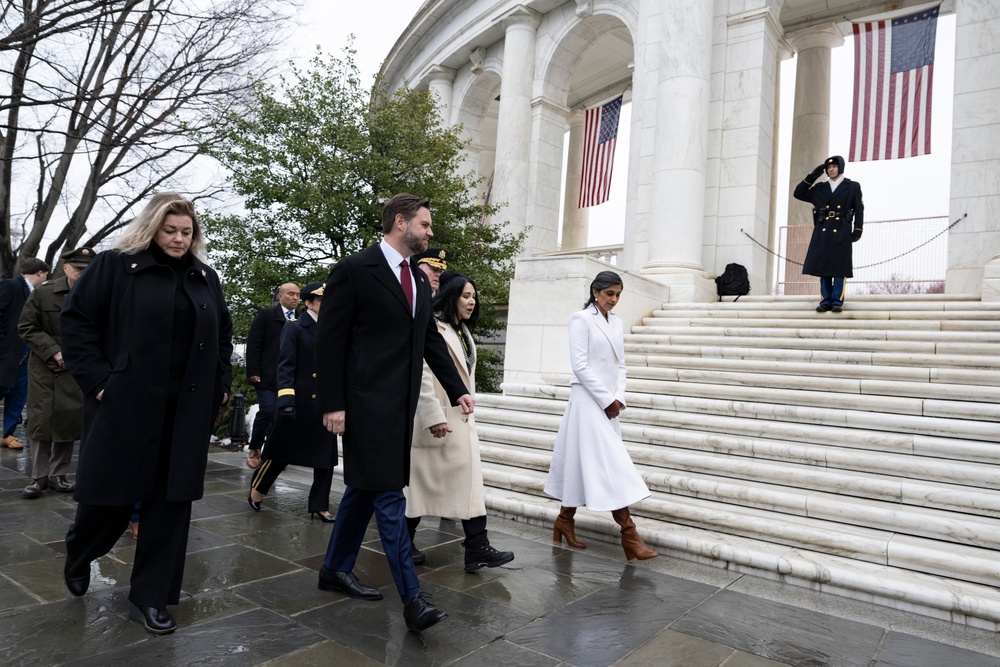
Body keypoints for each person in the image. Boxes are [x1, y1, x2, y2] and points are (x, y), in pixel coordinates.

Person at [59, 192, 233, 636]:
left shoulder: (204, 277)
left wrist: (220, 387)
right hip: (126, 406)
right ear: (152, 228)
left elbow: (222, 337)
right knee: (109, 499)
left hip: (186, 412)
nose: (178, 239)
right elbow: (77, 322)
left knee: (170, 506)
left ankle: (150, 598)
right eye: (170, 230)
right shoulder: (116, 266)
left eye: (186, 232)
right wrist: (100, 382)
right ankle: (80, 550)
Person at [315, 193, 474, 634]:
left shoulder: (419, 283)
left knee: (362, 492)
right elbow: (328, 342)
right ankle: (412, 599)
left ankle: (334, 569)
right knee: (388, 497)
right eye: (425, 224)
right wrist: (332, 403)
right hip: (364, 407)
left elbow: (429, 344)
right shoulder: (354, 270)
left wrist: (458, 390)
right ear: (400, 223)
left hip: (398, 411)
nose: (429, 232)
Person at [544, 270, 658, 561]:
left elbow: (621, 365)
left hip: (609, 405)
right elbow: (580, 366)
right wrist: (606, 399)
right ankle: (629, 535)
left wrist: (618, 398)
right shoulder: (581, 319)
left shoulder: (617, 323)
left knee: (589, 462)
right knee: (610, 465)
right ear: (595, 292)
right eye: (610, 294)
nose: (614, 300)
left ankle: (564, 520)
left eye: (618, 294)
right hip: (587, 401)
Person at [405, 271, 514, 571]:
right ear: (451, 295)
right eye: (466, 296)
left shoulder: (462, 332)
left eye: (474, 297)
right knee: (419, 490)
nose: (471, 302)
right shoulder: (435, 328)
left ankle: (477, 547)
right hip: (439, 421)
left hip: (461, 422)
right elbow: (424, 375)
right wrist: (432, 416)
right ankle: (404, 541)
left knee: (469, 488)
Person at [248, 282, 337, 522]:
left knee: (325, 457)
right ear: (309, 303)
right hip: (299, 400)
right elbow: (285, 365)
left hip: (324, 402)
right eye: (321, 300)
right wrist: (286, 399)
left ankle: (320, 505)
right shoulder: (295, 327)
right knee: (280, 451)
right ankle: (258, 489)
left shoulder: (333, 328)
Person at [19, 247, 95, 498]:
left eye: (87, 269)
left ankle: (57, 474)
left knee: (68, 420)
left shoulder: (97, 296)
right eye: (77, 269)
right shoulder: (44, 293)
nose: (82, 274)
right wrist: (53, 351)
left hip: (77, 369)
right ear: (65, 268)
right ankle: (38, 476)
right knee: (41, 421)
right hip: (44, 368)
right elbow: (27, 327)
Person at [794, 155, 864, 313]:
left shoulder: (852, 186)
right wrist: (812, 176)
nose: (831, 169)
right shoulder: (820, 188)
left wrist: (857, 230)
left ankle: (837, 300)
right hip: (823, 230)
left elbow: (859, 210)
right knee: (823, 266)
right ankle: (825, 300)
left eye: (834, 166)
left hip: (842, 229)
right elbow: (798, 193)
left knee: (840, 266)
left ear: (841, 167)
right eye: (829, 167)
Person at [244, 282, 300, 469]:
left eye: (298, 295)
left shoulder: (302, 319)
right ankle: (255, 447)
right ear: (280, 296)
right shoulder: (266, 315)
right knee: (268, 410)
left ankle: (274, 453)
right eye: (291, 294)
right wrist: (253, 371)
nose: (295, 298)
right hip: (267, 376)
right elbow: (254, 344)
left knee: (282, 416)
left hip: (290, 379)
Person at [0, 257, 50, 450]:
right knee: (3, 389)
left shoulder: (37, 294)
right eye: (45, 275)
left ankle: (8, 435)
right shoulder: (10, 286)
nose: (46, 279)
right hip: (7, 353)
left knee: (19, 394)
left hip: (27, 353)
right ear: (40, 273)